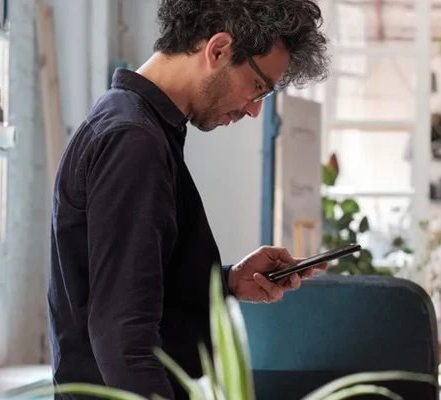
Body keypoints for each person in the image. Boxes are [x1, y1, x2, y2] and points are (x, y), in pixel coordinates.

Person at [46, 1, 330, 399]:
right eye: (258, 87)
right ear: (218, 50)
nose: (253, 110)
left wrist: (227, 281)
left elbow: (133, 286)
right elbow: (122, 335)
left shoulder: (139, 127)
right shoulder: (133, 141)